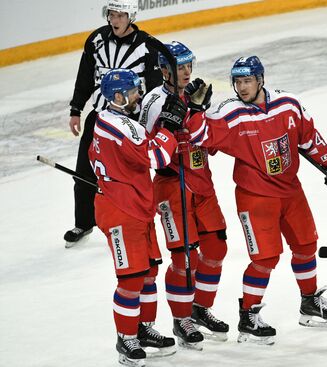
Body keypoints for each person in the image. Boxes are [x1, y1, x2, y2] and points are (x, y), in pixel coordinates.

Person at [181, 56, 327, 345]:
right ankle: (248, 316)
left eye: (247, 81)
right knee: (265, 257)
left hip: (290, 190)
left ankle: (309, 302)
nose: (242, 87)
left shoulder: (288, 104)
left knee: (306, 245)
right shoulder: (231, 113)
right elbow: (199, 136)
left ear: (261, 79)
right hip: (255, 196)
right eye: (237, 82)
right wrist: (195, 110)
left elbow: (308, 137)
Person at [89, 68, 188, 366]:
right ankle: (126, 339)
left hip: (136, 204)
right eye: (133, 91)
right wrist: (169, 127)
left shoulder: (110, 119)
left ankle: (143, 329)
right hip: (121, 211)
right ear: (118, 97)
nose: (138, 96)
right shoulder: (122, 126)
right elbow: (158, 158)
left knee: (148, 272)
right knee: (131, 279)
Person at [139, 41, 229, 348]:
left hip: (202, 179)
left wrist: (200, 113)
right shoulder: (152, 102)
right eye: (180, 67)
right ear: (164, 70)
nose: (187, 72)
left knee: (216, 249)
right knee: (184, 257)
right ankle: (182, 319)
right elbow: (146, 151)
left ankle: (201, 308)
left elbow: (213, 142)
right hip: (171, 186)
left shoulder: (201, 94)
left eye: (189, 65)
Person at [64, 0, 163, 248]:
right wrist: (76, 108)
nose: (115, 20)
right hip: (99, 118)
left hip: (131, 121)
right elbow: (85, 75)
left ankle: (141, 218)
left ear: (131, 16)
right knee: (84, 170)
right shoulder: (96, 40)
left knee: (131, 175)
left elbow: (154, 89)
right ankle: (84, 222)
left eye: (120, 15)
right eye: (112, 14)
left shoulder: (147, 46)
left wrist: (153, 121)